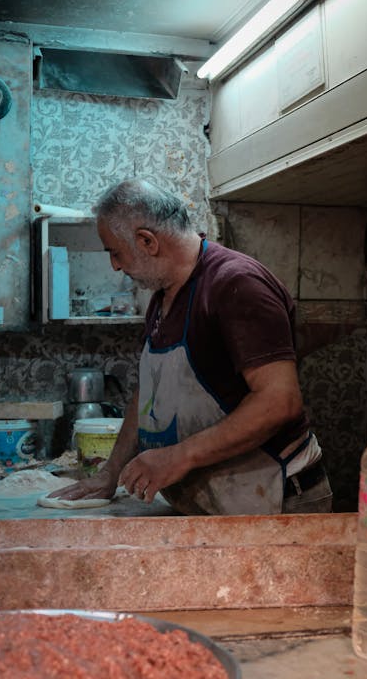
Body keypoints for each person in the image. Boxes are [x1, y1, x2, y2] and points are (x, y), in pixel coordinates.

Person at [50, 178, 333, 515]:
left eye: (115, 252)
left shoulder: (236, 285)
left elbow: (279, 401)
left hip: (276, 496)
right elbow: (149, 395)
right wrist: (111, 472)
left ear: (147, 241)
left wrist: (178, 457)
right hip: (213, 498)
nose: (114, 264)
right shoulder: (163, 296)